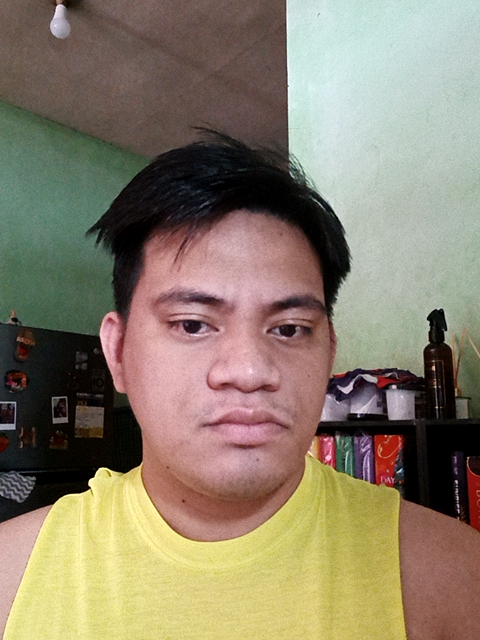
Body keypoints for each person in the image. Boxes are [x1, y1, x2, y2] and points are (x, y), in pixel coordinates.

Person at [0, 132, 479, 639]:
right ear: (117, 352)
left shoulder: (450, 579)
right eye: (192, 324)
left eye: (289, 329)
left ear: (329, 352)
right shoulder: (13, 577)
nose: (250, 372)